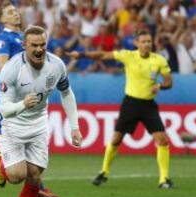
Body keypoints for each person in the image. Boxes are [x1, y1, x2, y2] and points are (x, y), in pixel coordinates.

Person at [0, 25, 83, 197]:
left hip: (39, 124)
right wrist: (23, 104)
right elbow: (4, 109)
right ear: (24, 45)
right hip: (12, 123)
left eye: (43, 44)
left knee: (34, 176)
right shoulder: (11, 69)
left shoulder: (56, 65)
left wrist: (74, 127)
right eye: (34, 45)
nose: (39, 49)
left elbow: (67, 93)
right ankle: (1, 162)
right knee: (16, 176)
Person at [0, 1, 59, 197]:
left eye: (15, 10)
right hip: (13, 98)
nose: (15, 14)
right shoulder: (4, 39)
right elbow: (3, 69)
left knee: (6, 139)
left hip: (27, 98)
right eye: (10, 12)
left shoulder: (24, 36)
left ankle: (38, 186)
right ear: (2, 18)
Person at [67, 29, 174, 188]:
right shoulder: (128, 56)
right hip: (130, 103)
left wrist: (160, 86)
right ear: (136, 43)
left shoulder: (159, 60)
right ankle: (104, 172)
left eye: (149, 41)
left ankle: (164, 179)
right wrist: (82, 55)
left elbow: (169, 82)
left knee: (162, 140)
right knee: (116, 139)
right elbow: (103, 55)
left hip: (148, 105)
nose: (146, 44)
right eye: (143, 41)